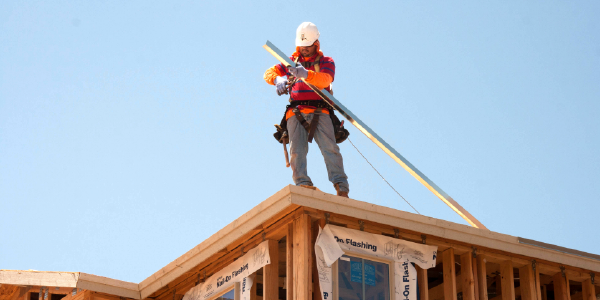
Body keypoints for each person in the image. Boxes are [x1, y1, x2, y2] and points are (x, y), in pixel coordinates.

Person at [263, 22, 349, 198]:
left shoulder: (326, 61)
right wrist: (277, 80)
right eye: (302, 47)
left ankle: (341, 186)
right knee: (297, 150)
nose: (304, 50)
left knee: (330, 149)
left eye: (308, 47)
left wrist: (306, 74)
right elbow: (268, 72)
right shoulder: (290, 62)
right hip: (296, 112)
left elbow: (325, 80)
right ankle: (303, 184)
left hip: (320, 110)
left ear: (316, 44)